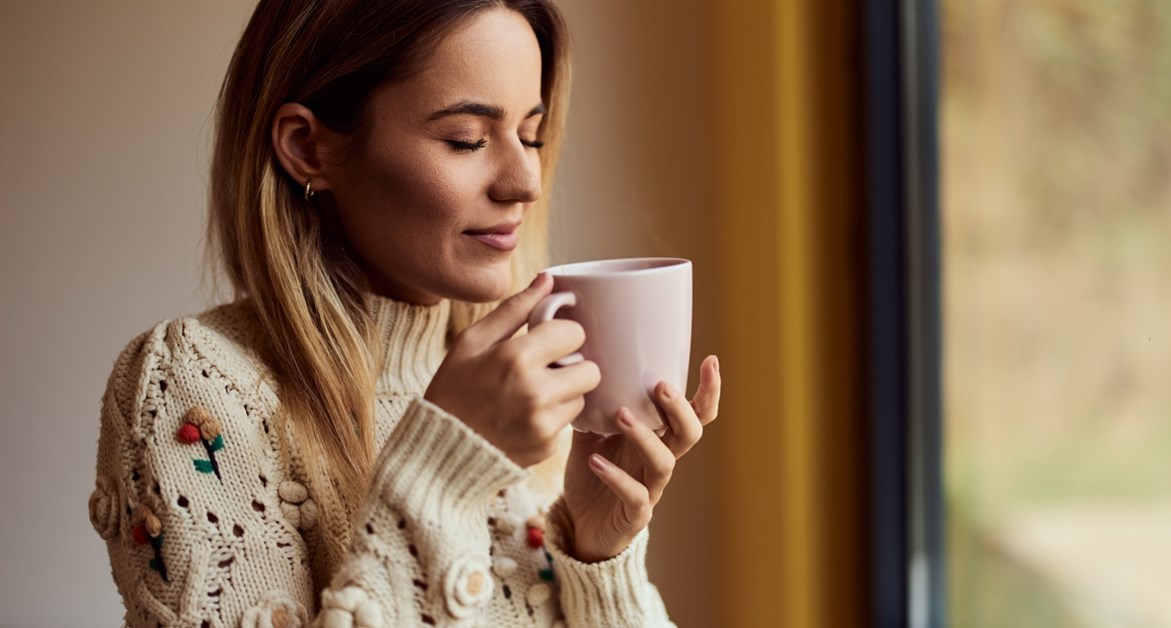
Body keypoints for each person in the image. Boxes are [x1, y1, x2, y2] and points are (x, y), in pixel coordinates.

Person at [87, 0, 721, 626]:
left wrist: (597, 557)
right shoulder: (197, 388)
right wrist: (440, 474)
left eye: (531, 135)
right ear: (308, 147)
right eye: (466, 140)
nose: (525, 180)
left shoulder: (528, 397)